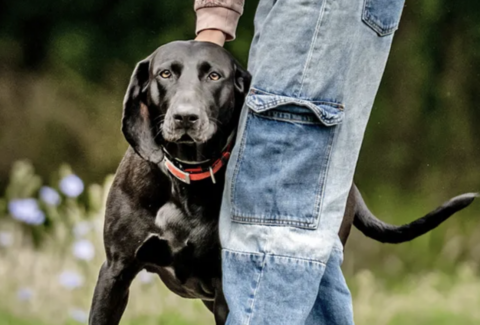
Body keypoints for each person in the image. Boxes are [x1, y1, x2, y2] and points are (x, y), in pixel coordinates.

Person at [194, 0, 405, 324]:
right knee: (308, 234)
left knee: (273, 231)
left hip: (311, 15)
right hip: (362, 16)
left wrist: (212, 25)